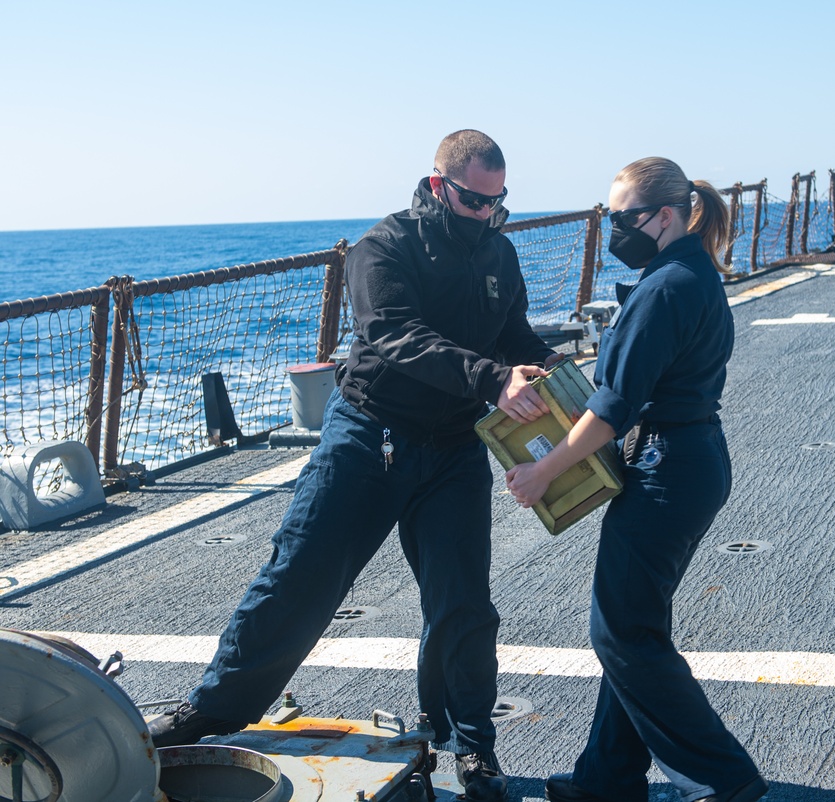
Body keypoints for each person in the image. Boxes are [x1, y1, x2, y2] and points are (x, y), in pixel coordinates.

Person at [149, 129, 563, 802]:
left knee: (463, 602)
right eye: (473, 201)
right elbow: (393, 334)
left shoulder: (500, 253)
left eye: (498, 202)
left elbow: (511, 333)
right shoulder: (384, 246)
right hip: (372, 435)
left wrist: (545, 369)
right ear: (438, 186)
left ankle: (470, 742)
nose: (487, 214)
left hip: (454, 446)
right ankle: (214, 711)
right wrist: (493, 380)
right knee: (302, 574)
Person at [505, 158, 767, 802]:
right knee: (634, 625)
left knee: (621, 631)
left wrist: (542, 470)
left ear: (666, 216)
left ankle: (722, 777)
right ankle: (608, 780)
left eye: (622, 218)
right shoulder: (692, 272)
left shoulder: (665, 287)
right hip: (691, 459)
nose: (614, 228)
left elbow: (612, 409)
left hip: (668, 468)